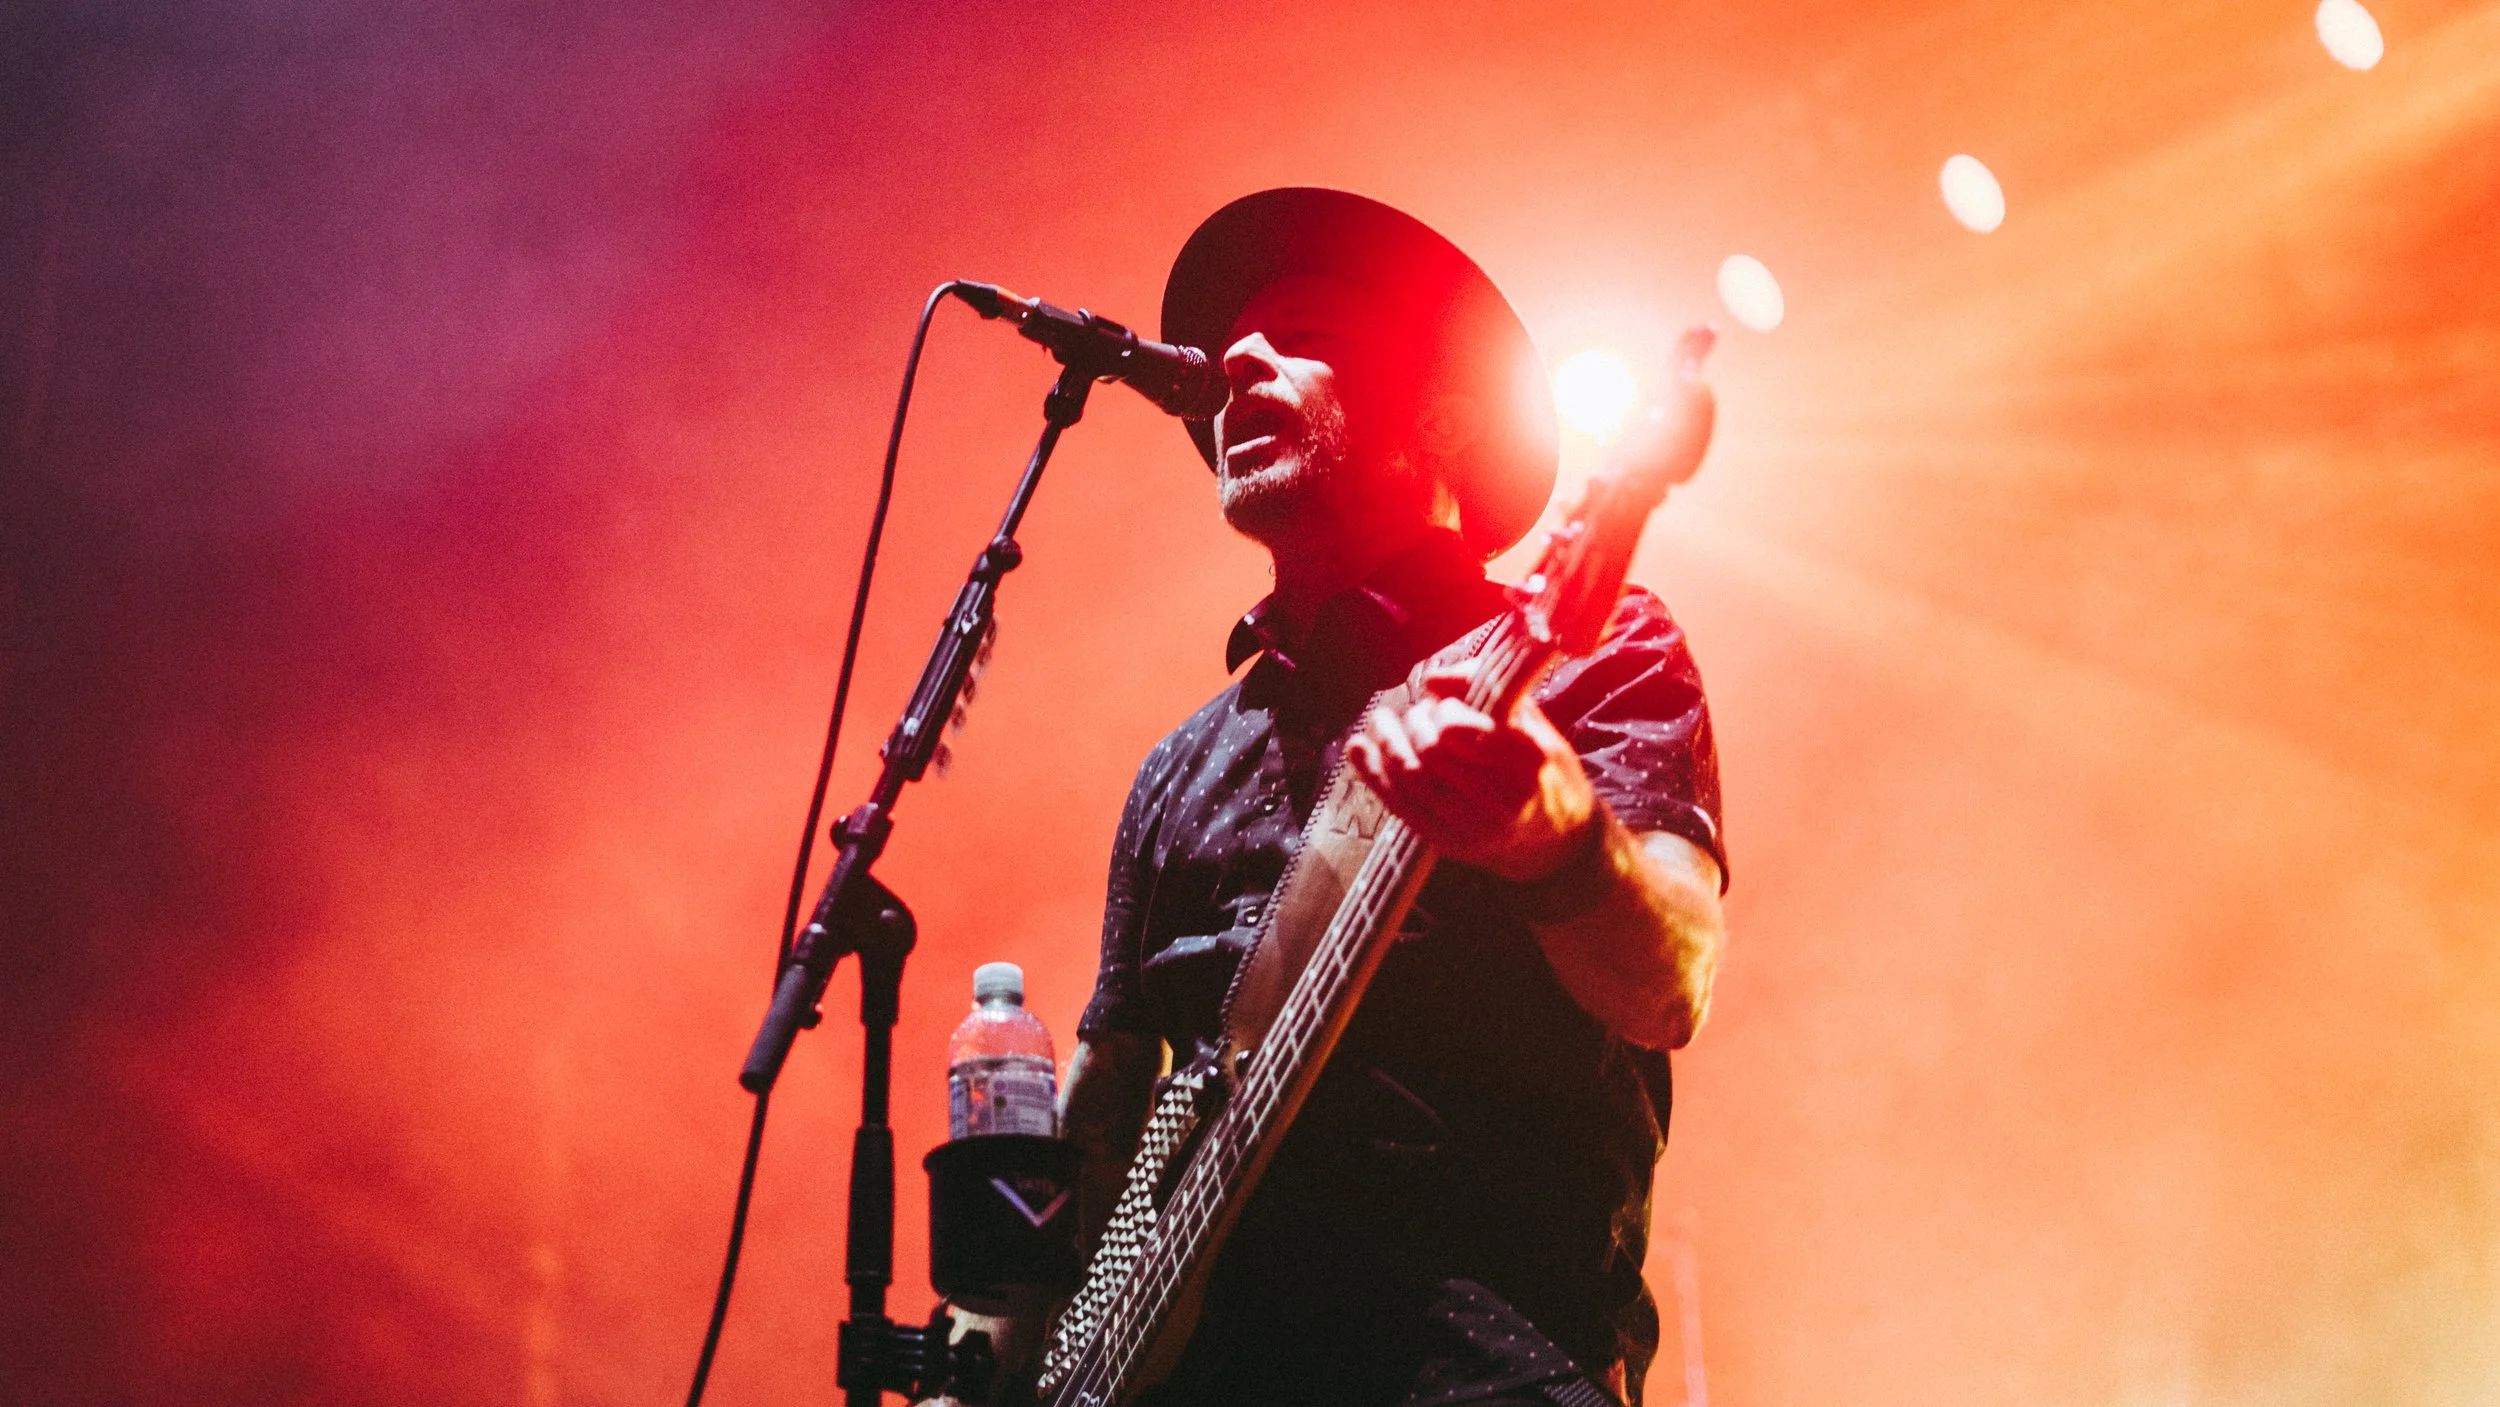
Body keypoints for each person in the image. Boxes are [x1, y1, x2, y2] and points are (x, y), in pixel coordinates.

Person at [1040, 188, 1727, 1407]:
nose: (1239, 364)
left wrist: (1559, 841)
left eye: (1299, 335)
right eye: (1231, 350)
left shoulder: (1591, 650)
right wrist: (1019, 1336)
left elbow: (1669, 983)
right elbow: (1099, 1131)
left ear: (1444, 423)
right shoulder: (1177, 772)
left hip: (1487, 1374)